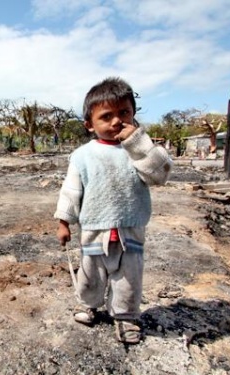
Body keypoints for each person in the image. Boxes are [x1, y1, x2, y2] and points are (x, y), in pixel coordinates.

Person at [54, 77, 172, 344]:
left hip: (130, 229)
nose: (116, 121)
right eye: (106, 116)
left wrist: (138, 143)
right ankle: (88, 305)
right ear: (90, 125)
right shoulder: (82, 156)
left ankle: (125, 317)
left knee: (128, 280)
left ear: (133, 114)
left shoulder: (141, 150)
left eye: (124, 113)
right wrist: (64, 222)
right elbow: (71, 190)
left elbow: (160, 174)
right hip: (95, 230)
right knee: (90, 275)